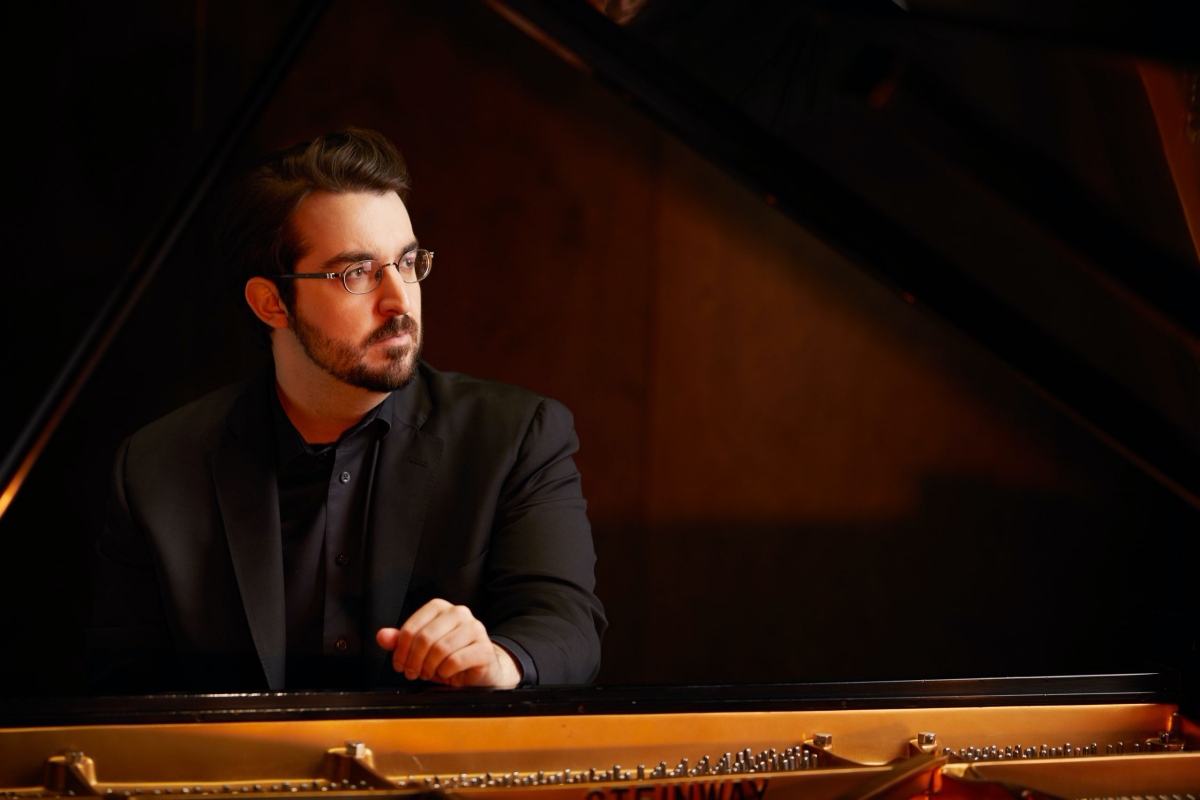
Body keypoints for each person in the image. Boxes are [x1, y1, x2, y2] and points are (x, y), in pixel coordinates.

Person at [87, 129, 605, 692]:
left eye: (407, 262)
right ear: (271, 302)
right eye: (357, 273)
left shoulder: (516, 437)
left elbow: (567, 627)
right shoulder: (156, 467)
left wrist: (501, 661)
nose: (399, 300)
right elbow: (125, 694)